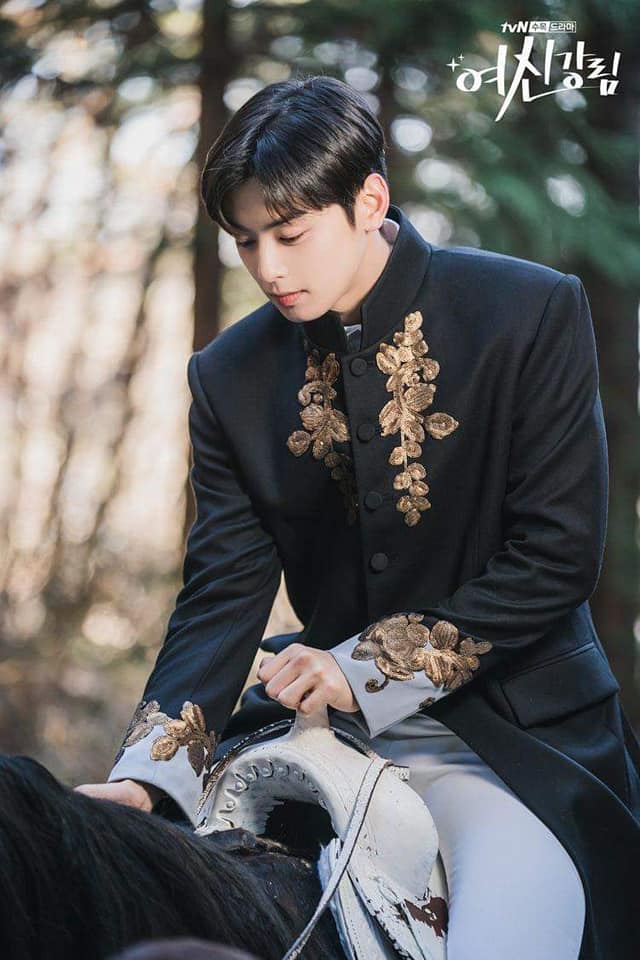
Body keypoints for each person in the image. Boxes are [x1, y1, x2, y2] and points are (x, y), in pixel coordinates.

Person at [76, 75, 640, 959]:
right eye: (245, 241)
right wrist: (146, 778)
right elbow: (222, 594)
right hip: (317, 732)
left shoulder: (528, 311)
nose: (268, 268)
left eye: (290, 234)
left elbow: (558, 555)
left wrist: (361, 667)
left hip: (521, 742)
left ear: (370, 200)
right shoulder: (227, 376)